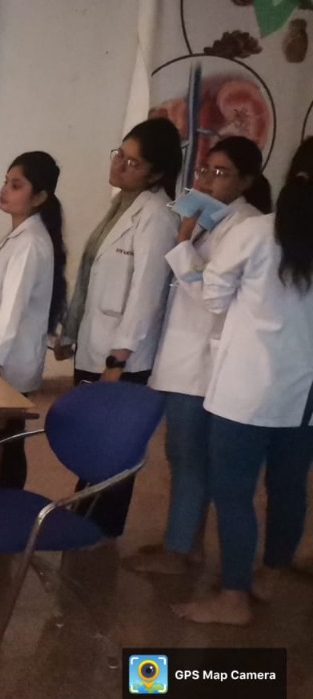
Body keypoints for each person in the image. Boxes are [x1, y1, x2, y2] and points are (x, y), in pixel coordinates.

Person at [170, 138, 313, 625]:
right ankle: (268, 575)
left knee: (233, 492)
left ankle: (233, 598)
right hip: (305, 395)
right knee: (289, 487)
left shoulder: (256, 233)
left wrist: (185, 251)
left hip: (246, 389)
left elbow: (212, 299)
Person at [130, 136, 270, 575]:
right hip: (185, 356)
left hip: (202, 363)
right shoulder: (215, 220)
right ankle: (184, 542)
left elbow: (212, 297)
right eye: (204, 170)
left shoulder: (245, 226)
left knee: (189, 458)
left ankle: (180, 550)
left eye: (220, 173)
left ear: (246, 181)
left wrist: (182, 244)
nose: (207, 180)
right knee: (183, 456)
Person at [56, 117, 181, 538]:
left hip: (121, 357)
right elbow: (92, 277)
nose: (120, 165)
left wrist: (118, 360)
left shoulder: (157, 217)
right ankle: (83, 523)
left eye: (133, 162)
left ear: (156, 174)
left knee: (112, 449)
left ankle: (100, 533)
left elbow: (146, 296)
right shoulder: (122, 206)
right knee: (91, 443)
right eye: (120, 155)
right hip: (96, 345)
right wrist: (70, 332)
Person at [0, 151, 67, 488]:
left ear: (39, 197)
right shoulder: (19, 236)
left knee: (7, 442)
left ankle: (8, 501)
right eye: (6, 182)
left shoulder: (31, 243)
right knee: (0, 440)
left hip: (7, 362)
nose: (4, 190)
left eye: (16, 185)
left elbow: (13, 307)